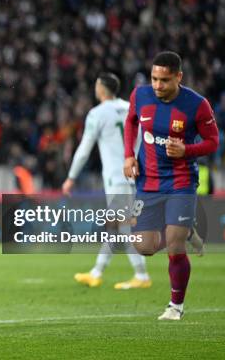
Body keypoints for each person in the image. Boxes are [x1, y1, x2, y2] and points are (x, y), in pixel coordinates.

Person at [123, 51, 218, 320]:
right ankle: (187, 232)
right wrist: (129, 155)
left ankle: (175, 306)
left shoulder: (197, 105)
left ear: (178, 77)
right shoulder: (140, 95)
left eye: (164, 80)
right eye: (154, 78)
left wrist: (187, 149)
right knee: (144, 247)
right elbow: (130, 122)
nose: (157, 85)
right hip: (148, 181)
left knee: (174, 248)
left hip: (181, 182)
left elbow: (213, 142)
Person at [62, 73, 151, 289]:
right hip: (134, 173)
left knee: (122, 227)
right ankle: (97, 271)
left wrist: (71, 177)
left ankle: (141, 275)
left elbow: (84, 149)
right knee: (113, 225)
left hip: (116, 175)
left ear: (101, 89)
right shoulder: (131, 108)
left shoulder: (97, 113)